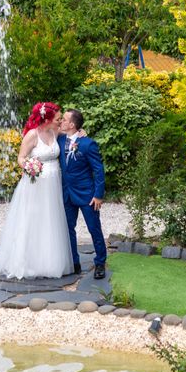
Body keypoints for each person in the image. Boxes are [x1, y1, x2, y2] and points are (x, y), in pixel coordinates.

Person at [0, 102, 74, 279]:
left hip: (53, 182)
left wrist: (81, 134)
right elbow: (21, 157)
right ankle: (27, 261)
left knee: (50, 219)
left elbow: (73, 133)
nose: (59, 121)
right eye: (57, 118)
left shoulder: (54, 131)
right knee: (32, 218)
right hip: (35, 184)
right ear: (47, 119)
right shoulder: (32, 135)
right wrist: (29, 166)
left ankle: (49, 261)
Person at [57, 109, 108, 279]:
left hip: (87, 195)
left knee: (94, 228)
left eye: (64, 120)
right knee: (68, 229)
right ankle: (74, 262)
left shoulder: (87, 144)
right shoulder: (59, 139)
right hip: (67, 194)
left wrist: (98, 195)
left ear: (72, 124)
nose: (61, 122)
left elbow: (98, 170)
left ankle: (100, 262)